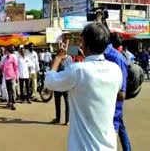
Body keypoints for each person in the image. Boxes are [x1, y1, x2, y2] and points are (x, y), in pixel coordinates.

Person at [45, 23, 123, 151]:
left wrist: (58, 58)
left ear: (85, 43)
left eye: (82, 41)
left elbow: (49, 81)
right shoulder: (115, 70)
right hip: (109, 146)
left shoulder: (78, 70)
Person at [107, 33, 131, 151]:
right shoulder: (115, 56)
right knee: (120, 127)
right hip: (112, 102)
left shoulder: (117, 58)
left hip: (115, 104)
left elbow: (122, 94)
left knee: (115, 130)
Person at [50, 48, 72, 125]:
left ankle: (58, 119)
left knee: (59, 102)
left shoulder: (57, 58)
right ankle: (67, 120)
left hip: (59, 83)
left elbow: (53, 69)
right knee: (66, 102)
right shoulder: (69, 58)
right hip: (65, 82)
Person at [1, 46, 19, 110]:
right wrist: (0, 65)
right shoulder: (5, 58)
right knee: (8, 90)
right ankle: (9, 102)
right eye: (6, 51)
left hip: (12, 76)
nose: (6, 52)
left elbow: (16, 68)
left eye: (7, 51)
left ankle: (13, 104)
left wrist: (17, 77)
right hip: (6, 77)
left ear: (9, 51)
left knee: (12, 90)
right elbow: (2, 67)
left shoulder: (13, 57)